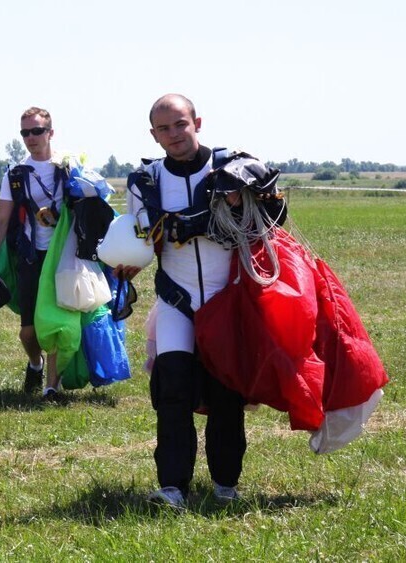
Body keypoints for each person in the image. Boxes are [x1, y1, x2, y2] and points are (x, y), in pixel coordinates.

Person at [119, 94, 248, 508]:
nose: (174, 134)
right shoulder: (145, 181)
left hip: (226, 299)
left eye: (180, 124)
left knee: (226, 394)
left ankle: (226, 484)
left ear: (197, 122)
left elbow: (258, 224)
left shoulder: (232, 167)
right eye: (164, 128)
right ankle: (172, 487)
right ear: (154, 135)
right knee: (172, 391)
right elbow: (148, 235)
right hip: (176, 300)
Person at [0, 107, 66, 400]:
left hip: (63, 256)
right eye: (25, 132)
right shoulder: (15, 174)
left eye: (37, 131)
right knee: (28, 332)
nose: (31, 137)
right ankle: (35, 363)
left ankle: (52, 387)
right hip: (29, 256)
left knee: (55, 322)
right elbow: (2, 219)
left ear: (50, 132)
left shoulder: (68, 169)